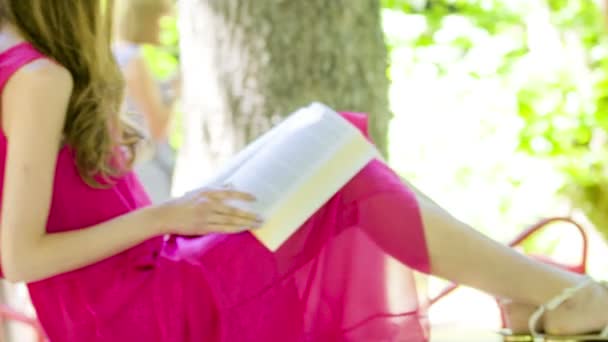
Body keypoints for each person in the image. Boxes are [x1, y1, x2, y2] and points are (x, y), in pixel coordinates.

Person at [0, 1, 606, 341]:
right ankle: (558, 295)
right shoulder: (36, 76)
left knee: (331, 148)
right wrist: (166, 215)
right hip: (138, 319)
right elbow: (20, 258)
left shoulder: (28, 64)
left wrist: (181, 212)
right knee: (352, 182)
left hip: (146, 283)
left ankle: (534, 291)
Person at [113, 0, 178, 203]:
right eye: (161, 18)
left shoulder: (115, 54)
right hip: (149, 164)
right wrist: (177, 93)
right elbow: (157, 128)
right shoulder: (134, 59)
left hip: (129, 159)